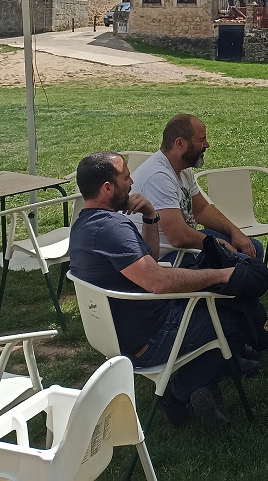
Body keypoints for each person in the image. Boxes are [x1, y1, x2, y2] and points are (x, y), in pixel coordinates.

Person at [68, 151, 247, 428]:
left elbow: (147, 261)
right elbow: (158, 281)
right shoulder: (113, 229)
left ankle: (202, 385)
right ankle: (180, 390)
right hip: (148, 341)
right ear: (107, 188)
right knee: (237, 320)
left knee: (210, 307)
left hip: (113, 335)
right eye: (126, 177)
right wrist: (221, 274)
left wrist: (151, 217)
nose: (132, 182)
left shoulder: (84, 224)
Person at [131, 114, 263, 263]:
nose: (207, 145)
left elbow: (201, 209)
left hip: (183, 247)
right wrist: (218, 244)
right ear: (180, 143)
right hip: (166, 258)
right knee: (245, 263)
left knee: (254, 248)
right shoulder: (158, 177)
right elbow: (178, 237)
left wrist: (235, 232)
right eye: (201, 140)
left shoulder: (183, 168)